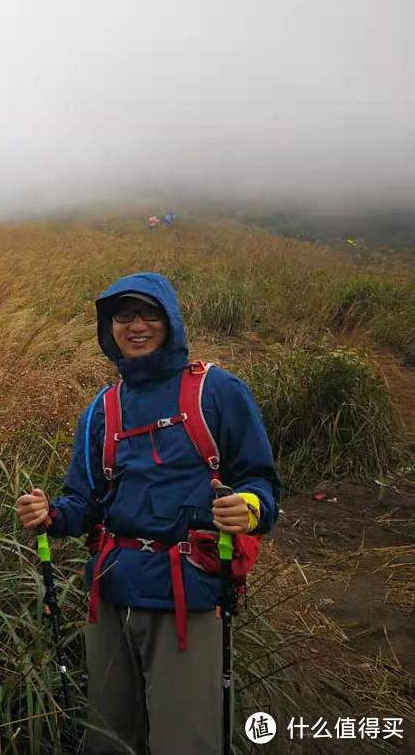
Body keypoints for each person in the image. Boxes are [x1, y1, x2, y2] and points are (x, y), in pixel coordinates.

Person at [16, 272, 280, 754]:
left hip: (189, 597)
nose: (135, 325)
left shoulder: (218, 391)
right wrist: (49, 514)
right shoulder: (102, 408)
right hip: (111, 593)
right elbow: (84, 502)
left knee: (184, 742)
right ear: (108, 327)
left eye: (148, 313)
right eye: (123, 316)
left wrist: (250, 507)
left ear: (171, 320)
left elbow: (261, 482)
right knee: (107, 739)